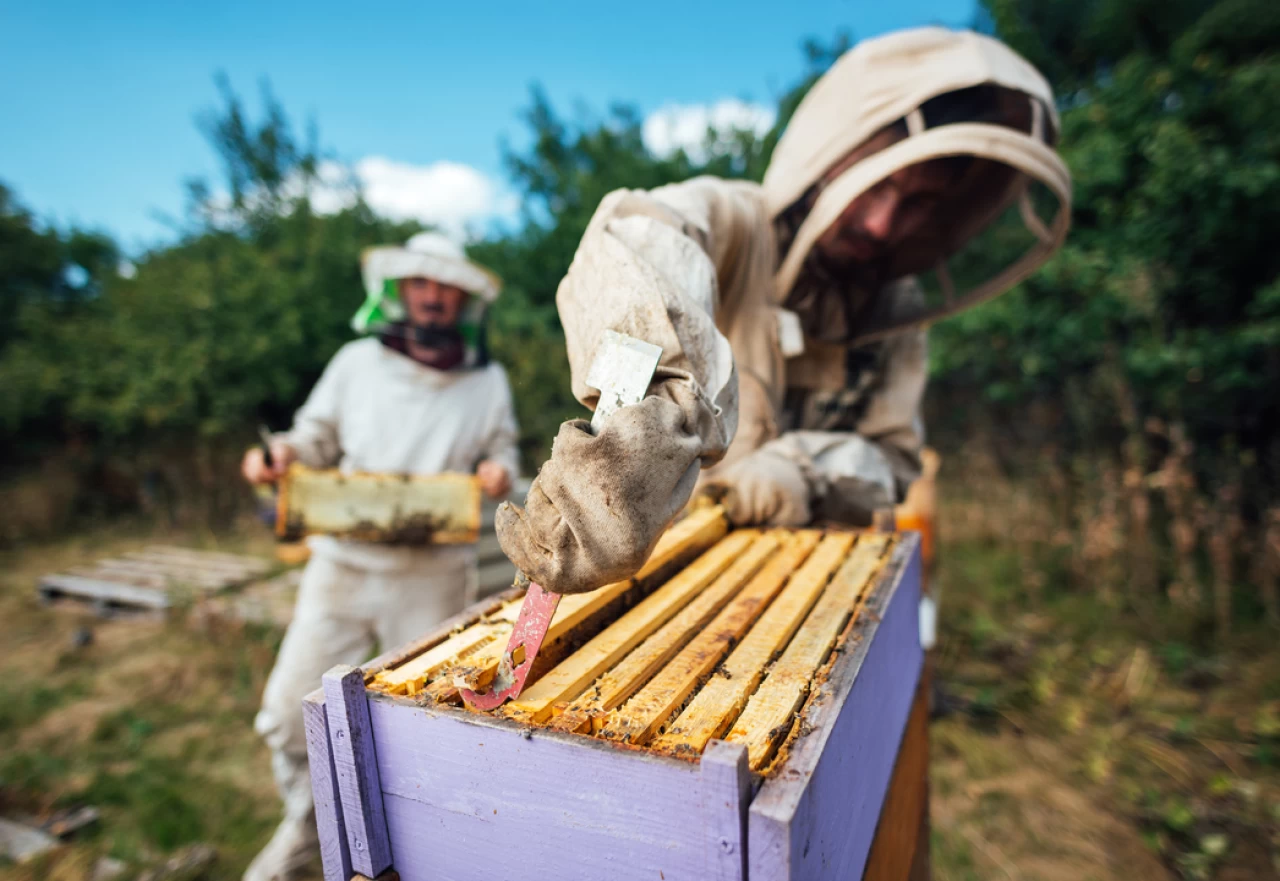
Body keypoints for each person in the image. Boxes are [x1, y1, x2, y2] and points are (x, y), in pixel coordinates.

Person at [496, 27, 1071, 595]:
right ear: (833, 157)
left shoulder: (896, 306)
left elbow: (892, 460)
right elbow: (637, 238)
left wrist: (797, 470)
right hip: (660, 581)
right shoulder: (732, 221)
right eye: (878, 185)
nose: (882, 224)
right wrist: (647, 415)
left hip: (811, 588)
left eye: (916, 203)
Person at [240, 232, 520, 881]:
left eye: (445, 286)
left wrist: (497, 470)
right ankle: (305, 832)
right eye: (421, 283)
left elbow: (502, 449)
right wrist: (281, 453)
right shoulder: (355, 361)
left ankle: (414, 860)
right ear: (398, 292)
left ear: (462, 301)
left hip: (432, 577)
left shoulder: (488, 379)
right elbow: (313, 436)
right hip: (340, 566)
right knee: (289, 716)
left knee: (422, 732)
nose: (432, 296)